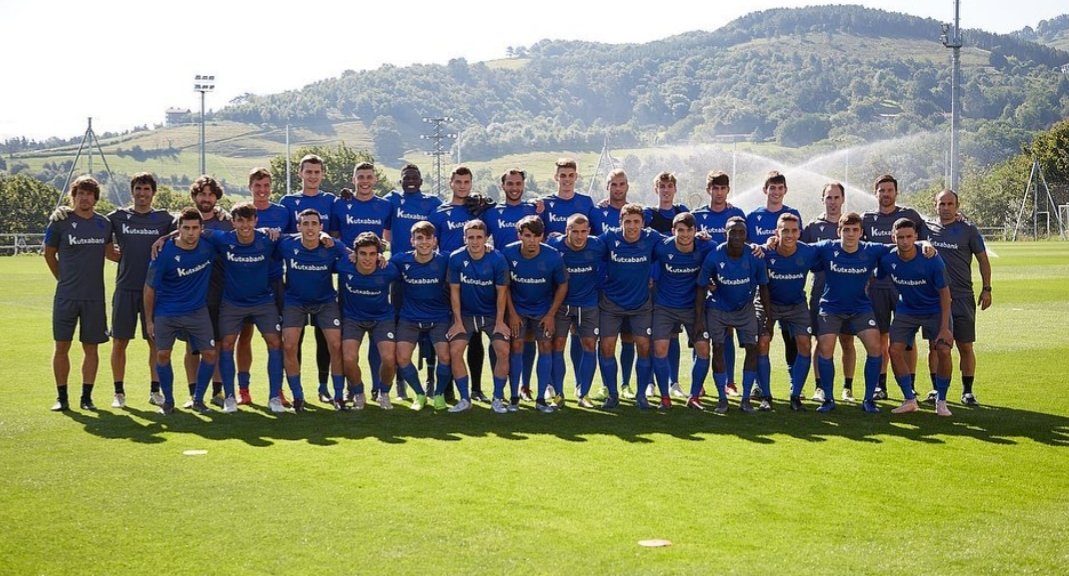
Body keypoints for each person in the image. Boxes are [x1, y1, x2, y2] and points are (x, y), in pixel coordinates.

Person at [809, 212, 934, 414]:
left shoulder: (871, 249)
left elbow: (900, 245)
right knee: (825, 348)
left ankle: (868, 399)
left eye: (855, 230)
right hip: (831, 308)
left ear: (861, 233)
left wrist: (923, 244)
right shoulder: (827, 247)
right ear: (839, 232)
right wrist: (771, 242)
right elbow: (798, 248)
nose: (850, 234)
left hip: (861, 308)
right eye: (846, 230)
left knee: (876, 348)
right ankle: (828, 399)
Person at [198, 202, 285, 413]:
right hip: (232, 303)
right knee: (227, 345)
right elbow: (194, 230)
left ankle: (274, 397)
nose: (245, 225)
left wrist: (324, 237)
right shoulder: (223, 238)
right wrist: (164, 238)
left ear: (256, 221)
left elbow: (298, 238)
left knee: (275, 343)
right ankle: (230, 397)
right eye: (240, 220)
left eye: (249, 220)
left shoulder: (267, 239)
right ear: (233, 222)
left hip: (263, 302)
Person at [44, 176, 116, 411]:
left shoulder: (104, 224)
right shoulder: (60, 222)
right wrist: (63, 279)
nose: (84, 198)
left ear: (95, 198)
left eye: (89, 194)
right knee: (61, 346)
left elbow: (111, 253)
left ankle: (86, 398)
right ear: (73, 197)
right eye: (80, 193)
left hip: (94, 298)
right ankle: (61, 397)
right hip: (66, 296)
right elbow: (49, 254)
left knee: (91, 348)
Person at [106, 173, 175, 408]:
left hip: (154, 290)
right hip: (125, 288)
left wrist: (165, 237)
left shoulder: (164, 219)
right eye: (138, 188)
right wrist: (64, 212)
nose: (142, 193)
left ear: (153, 192)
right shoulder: (117, 217)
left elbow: (189, 224)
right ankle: (118, 392)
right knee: (119, 341)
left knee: (155, 342)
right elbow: (94, 224)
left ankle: (155, 391)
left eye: (146, 189)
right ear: (132, 191)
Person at [332, 161, 397, 401]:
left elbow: (388, 238)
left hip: (374, 268)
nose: (365, 181)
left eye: (369, 176)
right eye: (360, 177)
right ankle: (351, 388)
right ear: (354, 180)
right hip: (351, 270)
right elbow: (334, 236)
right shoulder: (340, 204)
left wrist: (380, 254)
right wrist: (348, 255)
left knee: (380, 346)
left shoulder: (385, 206)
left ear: (375, 179)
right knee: (346, 344)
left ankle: (379, 389)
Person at [143, 208, 217, 415]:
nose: (191, 233)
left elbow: (235, 235)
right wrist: (149, 321)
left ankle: (198, 400)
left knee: (210, 354)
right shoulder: (163, 252)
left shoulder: (208, 246)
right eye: (186, 228)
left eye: (195, 228)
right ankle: (168, 402)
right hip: (167, 312)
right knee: (163, 354)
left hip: (197, 311)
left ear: (201, 229)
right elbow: (149, 288)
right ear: (179, 229)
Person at [430, 166, 494, 403]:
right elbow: (432, 246)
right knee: (448, 334)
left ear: (471, 183)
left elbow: (490, 234)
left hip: (474, 280)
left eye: (467, 182)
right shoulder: (439, 213)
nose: (462, 186)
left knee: (474, 336)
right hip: (448, 279)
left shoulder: (477, 210)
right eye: (458, 181)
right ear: (451, 183)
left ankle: (476, 388)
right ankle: (445, 388)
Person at [878, 218, 954, 417]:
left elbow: (945, 294)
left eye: (909, 237)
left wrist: (944, 328)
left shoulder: (931, 259)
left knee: (943, 350)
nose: (904, 241)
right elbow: (875, 273)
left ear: (916, 237)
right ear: (893, 238)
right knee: (894, 350)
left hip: (935, 310)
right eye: (900, 237)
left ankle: (941, 400)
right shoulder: (887, 259)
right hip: (907, 310)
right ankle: (909, 399)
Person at [861, 174, 928, 400]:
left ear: (896, 192)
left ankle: (910, 385)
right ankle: (880, 386)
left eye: (889, 190)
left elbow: (926, 240)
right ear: (875, 193)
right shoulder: (867, 219)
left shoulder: (910, 215)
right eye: (882, 190)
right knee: (880, 336)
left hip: (905, 286)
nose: (886, 194)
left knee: (907, 338)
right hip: (877, 286)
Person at [695, 216, 770, 414]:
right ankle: (722, 399)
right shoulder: (714, 256)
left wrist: (768, 318)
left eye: (741, 232)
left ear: (746, 235)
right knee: (718, 348)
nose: (737, 236)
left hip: (745, 309)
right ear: (725, 233)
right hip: (718, 309)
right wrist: (698, 320)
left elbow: (764, 288)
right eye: (733, 232)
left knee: (752, 349)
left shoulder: (754, 256)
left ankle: (745, 400)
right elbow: (701, 287)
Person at [279, 154, 338, 405]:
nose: (312, 176)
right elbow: (283, 237)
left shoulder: (331, 200)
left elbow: (336, 233)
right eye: (308, 171)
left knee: (326, 340)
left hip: (323, 279)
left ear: (322, 174)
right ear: (300, 173)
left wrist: (325, 238)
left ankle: (324, 387)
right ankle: (297, 391)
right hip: (296, 283)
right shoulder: (287, 201)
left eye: (317, 172)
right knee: (294, 341)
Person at [926, 189, 992, 406]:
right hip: (934, 298)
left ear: (957, 206)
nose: (946, 208)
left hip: (962, 296)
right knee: (935, 346)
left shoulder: (968, 230)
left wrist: (987, 289)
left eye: (950, 204)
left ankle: (967, 391)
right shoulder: (926, 228)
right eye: (941, 203)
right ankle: (936, 390)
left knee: (965, 345)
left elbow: (983, 260)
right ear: (935, 205)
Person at [279, 209, 347, 412]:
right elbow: (263, 239)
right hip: (295, 302)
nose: (310, 228)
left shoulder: (332, 245)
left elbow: (355, 256)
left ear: (321, 227)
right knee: (289, 346)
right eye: (305, 224)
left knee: (335, 345)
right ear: (298, 227)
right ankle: (297, 396)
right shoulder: (286, 244)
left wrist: (379, 258)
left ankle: (338, 395)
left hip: (325, 302)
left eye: (314, 224)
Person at [385, 164, 445, 397]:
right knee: (402, 327)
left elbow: (451, 217)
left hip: (429, 271)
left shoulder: (433, 202)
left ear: (421, 180)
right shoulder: (391, 199)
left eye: (415, 177)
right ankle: (400, 381)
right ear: (400, 180)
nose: (410, 180)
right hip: (401, 274)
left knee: (431, 331)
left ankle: (430, 379)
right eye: (406, 177)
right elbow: (372, 208)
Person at [597, 203, 661, 410]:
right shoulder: (609, 238)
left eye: (636, 222)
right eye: (628, 222)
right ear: (620, 222)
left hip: (641, 304)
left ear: (643, 223)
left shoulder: (652, 238)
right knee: (607, 347)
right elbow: (587, 246)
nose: (632, 226)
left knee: (644, 347)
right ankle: (612, 394)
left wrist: (702, 239)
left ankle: (641, 395)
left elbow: (676, 244)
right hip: (611, 303)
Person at [485, 168, 541, 400]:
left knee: (526, 338)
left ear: (523, 185)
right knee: (498, 335)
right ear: (503, 186)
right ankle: (498, 387)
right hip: (499, 283)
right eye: (510, 183)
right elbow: (477, 235)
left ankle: (524, 386)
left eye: (518, 183)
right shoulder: (492, 212)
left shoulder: (534, 209)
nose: (514, 187)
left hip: (529, 282)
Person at [746, 171, 803, 400]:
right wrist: (763, 245)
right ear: (765, 190)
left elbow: (797, 245)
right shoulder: (753, 216)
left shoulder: (793, 215)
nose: (776, 192)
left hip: (789, 289)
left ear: (785, 190)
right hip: (761, 289)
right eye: (772, 188)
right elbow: (747, 247)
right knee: (761, 339)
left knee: (792, 339)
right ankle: (759, 385)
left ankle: (794, 383)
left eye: (780, 188)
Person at [503, 216, 568, 413]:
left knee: (545, 347)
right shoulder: (508, 253)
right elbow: (504, 286)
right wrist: (512, 313)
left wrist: (550, 314)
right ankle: (514, 397)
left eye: (536, 236)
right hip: (518, 309)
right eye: (527, 235)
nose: (532, 240)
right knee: (516, 346)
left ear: (542, 237)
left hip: (543, 310)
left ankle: (541, 399)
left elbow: (563, 285)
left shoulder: (553, 256)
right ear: (519, 236)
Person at [445, 220, 511, 413]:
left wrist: (500, 321)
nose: (475, 241)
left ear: (486, 238)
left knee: (503, 351)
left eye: (479, 237)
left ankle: (497, 398)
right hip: (466, 315)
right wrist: (457, 321)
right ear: (464, 238)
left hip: (492, 315)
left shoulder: (497, 259)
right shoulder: (456, 258)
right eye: (471, 237)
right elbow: (454, 292)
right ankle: (465, 399)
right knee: (455, 351)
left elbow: (502, 293)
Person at [691, 170, 746, 397]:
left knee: (727, 332)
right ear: (708, 190)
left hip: (727, 283)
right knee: (700, 331)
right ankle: (699, 384)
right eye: (715, 188)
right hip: (702, 282)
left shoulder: (736, 214)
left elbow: (743, 246)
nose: (719, 192)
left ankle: (729, 382)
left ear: (728, 190)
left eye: (723, 188)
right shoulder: (697, 215)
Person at [801, 183, 857, 402]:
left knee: (847, 341)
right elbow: (798, 252)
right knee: (821, 341)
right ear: (822, 200)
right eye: (829, 197)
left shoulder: (852, 225)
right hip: (821, 293)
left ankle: (847, 388)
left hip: (849, 294)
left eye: (836, 197)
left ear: (843, 199)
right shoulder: (813, 227)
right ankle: (820, 388)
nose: (832, 202)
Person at [650, 213, 712, 410]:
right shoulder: (662, 247)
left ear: (696, 231)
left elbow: (725, 251)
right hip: (664, 307)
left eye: (689, 230)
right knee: (660, 349)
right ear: (673, 231)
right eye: (681, 230)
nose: (685, 234)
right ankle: (664, 397)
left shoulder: (706, 246)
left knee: (703, 350)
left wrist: (759, 247)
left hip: (693, 308)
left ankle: (694, 397)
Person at [759, 213, 819, 411]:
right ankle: (765, 395)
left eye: (794, 231)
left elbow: (833, 247)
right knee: (762, 343)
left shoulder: (808, 252)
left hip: (796, 305)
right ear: (776, 232)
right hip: (769, 304)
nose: (789, 235)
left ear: (799, 233)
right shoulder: (765, 252)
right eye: (785, 230)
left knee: (804, 344)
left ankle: (796, 395)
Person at [547, 214, 606, 408]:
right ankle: (558, 394)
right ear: (567, 231)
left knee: (589, 346)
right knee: (557, 346)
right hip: (561, 305)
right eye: (575, 232)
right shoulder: (554, 245)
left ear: (589, 231)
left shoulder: (597, 245)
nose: (580, 236)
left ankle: (584, 394)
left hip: (588, 304)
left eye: (583, 232)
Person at [392, 221, 452, 411]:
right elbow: (380, 265)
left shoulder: (445, 259)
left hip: (439, 317)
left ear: (435, 241)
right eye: (419, 238)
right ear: (412, 241)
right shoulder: (400, 260)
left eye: (428, 238)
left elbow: (469, 254)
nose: (424, 242)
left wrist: (488, 247)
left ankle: (439, 394)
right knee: (402, 358)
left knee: (445, 356)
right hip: (410, 318)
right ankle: (419, 394)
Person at [337, 232, 400, 410]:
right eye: (363, 254)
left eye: (372, 254)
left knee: (389, 358)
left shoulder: (388, 269)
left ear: (378, 255)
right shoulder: (344, 266)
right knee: (349, 358)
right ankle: (358, 392)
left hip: (382, 318)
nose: (367, 258)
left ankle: (384, 393)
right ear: (355, 254)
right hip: (353, 318)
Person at [589, 169, 638, 398]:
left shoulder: (637, 212)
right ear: (607, 187)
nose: (618, 188)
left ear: (627, 186)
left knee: (629, 338)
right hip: (603, 286)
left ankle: (626, 384)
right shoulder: (596, 212)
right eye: (613, 184)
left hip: (631, 287)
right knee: (605, 340)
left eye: (622, 184)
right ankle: (606, 384)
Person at [643, 171, 690, 398]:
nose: (666, 190)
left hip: (676, 285)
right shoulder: (649, 214)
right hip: (653, 284)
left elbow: (694, 237)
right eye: (662, 186)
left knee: (673, 335)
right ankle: (650, 382)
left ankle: (674, 382)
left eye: (669, 186)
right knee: (652, 334)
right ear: (656, 190)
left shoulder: (682, 212)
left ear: (675, 189)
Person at [249, 167, 292, 406]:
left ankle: (278, 390)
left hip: (275, 282)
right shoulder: (241, 211)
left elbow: (295, 239)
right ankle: (243, 390)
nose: (262, 190)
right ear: (250, 188)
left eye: (266, 185)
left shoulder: (282, 212)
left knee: (276, 339)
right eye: (257, 186)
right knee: (243, 338)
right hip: (245, 283)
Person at [541, 157, 594, 237]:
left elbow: (593, 231)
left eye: (571, 175)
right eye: (563, 176)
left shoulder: (586, 201)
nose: (567, 179)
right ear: (556, 177)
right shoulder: (545, 203)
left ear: (576, 176)